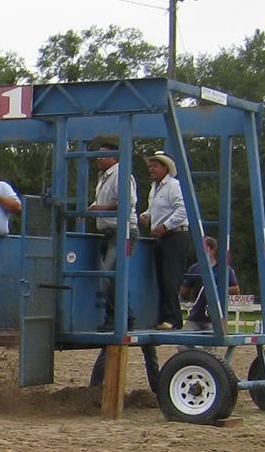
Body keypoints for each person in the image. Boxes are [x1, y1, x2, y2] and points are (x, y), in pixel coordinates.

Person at [138, 151, 191, 330]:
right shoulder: (155, 188)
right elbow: (155, 210)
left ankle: (173, 319)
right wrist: (145, 216)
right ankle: (165, 317)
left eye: (155, 165)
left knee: (170, 278)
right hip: (162, 237)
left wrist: (165, 226)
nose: (151, 169)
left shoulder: (174, 186)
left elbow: (183, 209)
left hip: (175, 236)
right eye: (151, 165)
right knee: (161, 278)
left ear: (165, 168)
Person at [84, 135, 127, 330]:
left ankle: (115, 319)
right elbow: (102, 202)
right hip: (107, 233)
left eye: (103, 155)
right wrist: (90, 209)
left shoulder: (121, 174)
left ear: (115, 158)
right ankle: (124, 317)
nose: (99, 158)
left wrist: (98, 208)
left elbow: (126, 202)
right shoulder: (103, 178)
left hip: (122, 232)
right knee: (110, 277)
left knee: (107, 275)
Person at [179, 236, 239, 332]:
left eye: (203, 247)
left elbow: (235, 289)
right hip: (195, 315)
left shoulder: (224, 269)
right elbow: (185, 289)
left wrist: (216, 289)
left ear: (211, 249)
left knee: (210, 344)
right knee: (184, 343)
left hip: (214, 318)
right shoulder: (195, 268)